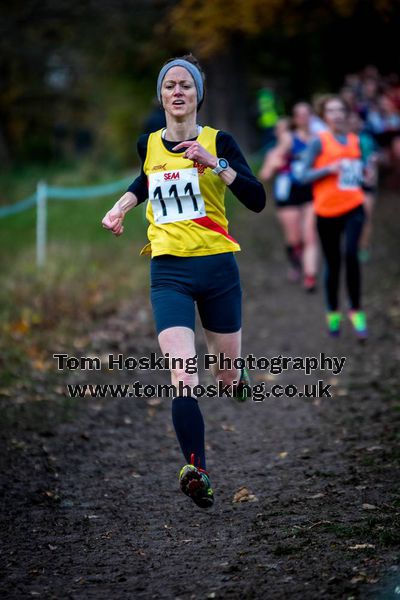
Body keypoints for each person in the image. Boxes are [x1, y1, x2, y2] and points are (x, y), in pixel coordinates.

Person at [101, 54, 266, 509]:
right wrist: (120, 208)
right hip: (168, 271)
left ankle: (235, 377)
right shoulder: (148, 143)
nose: (177, 92)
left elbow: (257, 199)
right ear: (161, 95)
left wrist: (215, 164)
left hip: (218, 271)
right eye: (170, 85)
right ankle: (198, 470)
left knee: (225, 376)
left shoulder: (220, 141)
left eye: (186, 85)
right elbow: (146, 179)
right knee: (182, 375)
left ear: (197, 95)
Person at [299, 96, 368, 340]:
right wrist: (328, 169)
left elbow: (359, 173)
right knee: (333, 262)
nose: (337, 115)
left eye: (340, 110)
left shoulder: (355, 140)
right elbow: (303, 175)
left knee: (351, 254)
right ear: (324, 116)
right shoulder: (319, 142)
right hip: (326, 212)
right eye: (331, 111)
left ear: (346, 114)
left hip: (354, 207)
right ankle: (333, 313)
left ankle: (357, 311)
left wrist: (366, 175)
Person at [259, 103, 318, 291]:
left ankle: (310, 275)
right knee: (294, 238)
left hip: (311, 191)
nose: (303, 118)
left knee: (310, 235)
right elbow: (265, 174)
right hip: (288, 193)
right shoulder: (287, 141)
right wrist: (274, 164)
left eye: (306, 114)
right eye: (299, 115)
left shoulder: (318, 139)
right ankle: (295, 263)